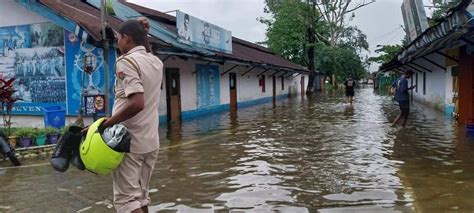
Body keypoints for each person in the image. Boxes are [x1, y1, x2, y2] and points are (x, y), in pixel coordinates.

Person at [97, 19, 163, 213]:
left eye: (118, 38)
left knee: (126, 201)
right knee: (141, 197)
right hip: (151, 142)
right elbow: (146, 51)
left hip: (129, 142)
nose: (117, 42)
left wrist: (108, 123)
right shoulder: (156, 62)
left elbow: (137, 102)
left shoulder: (125, 61)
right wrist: (145, 35)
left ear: (126, 38)